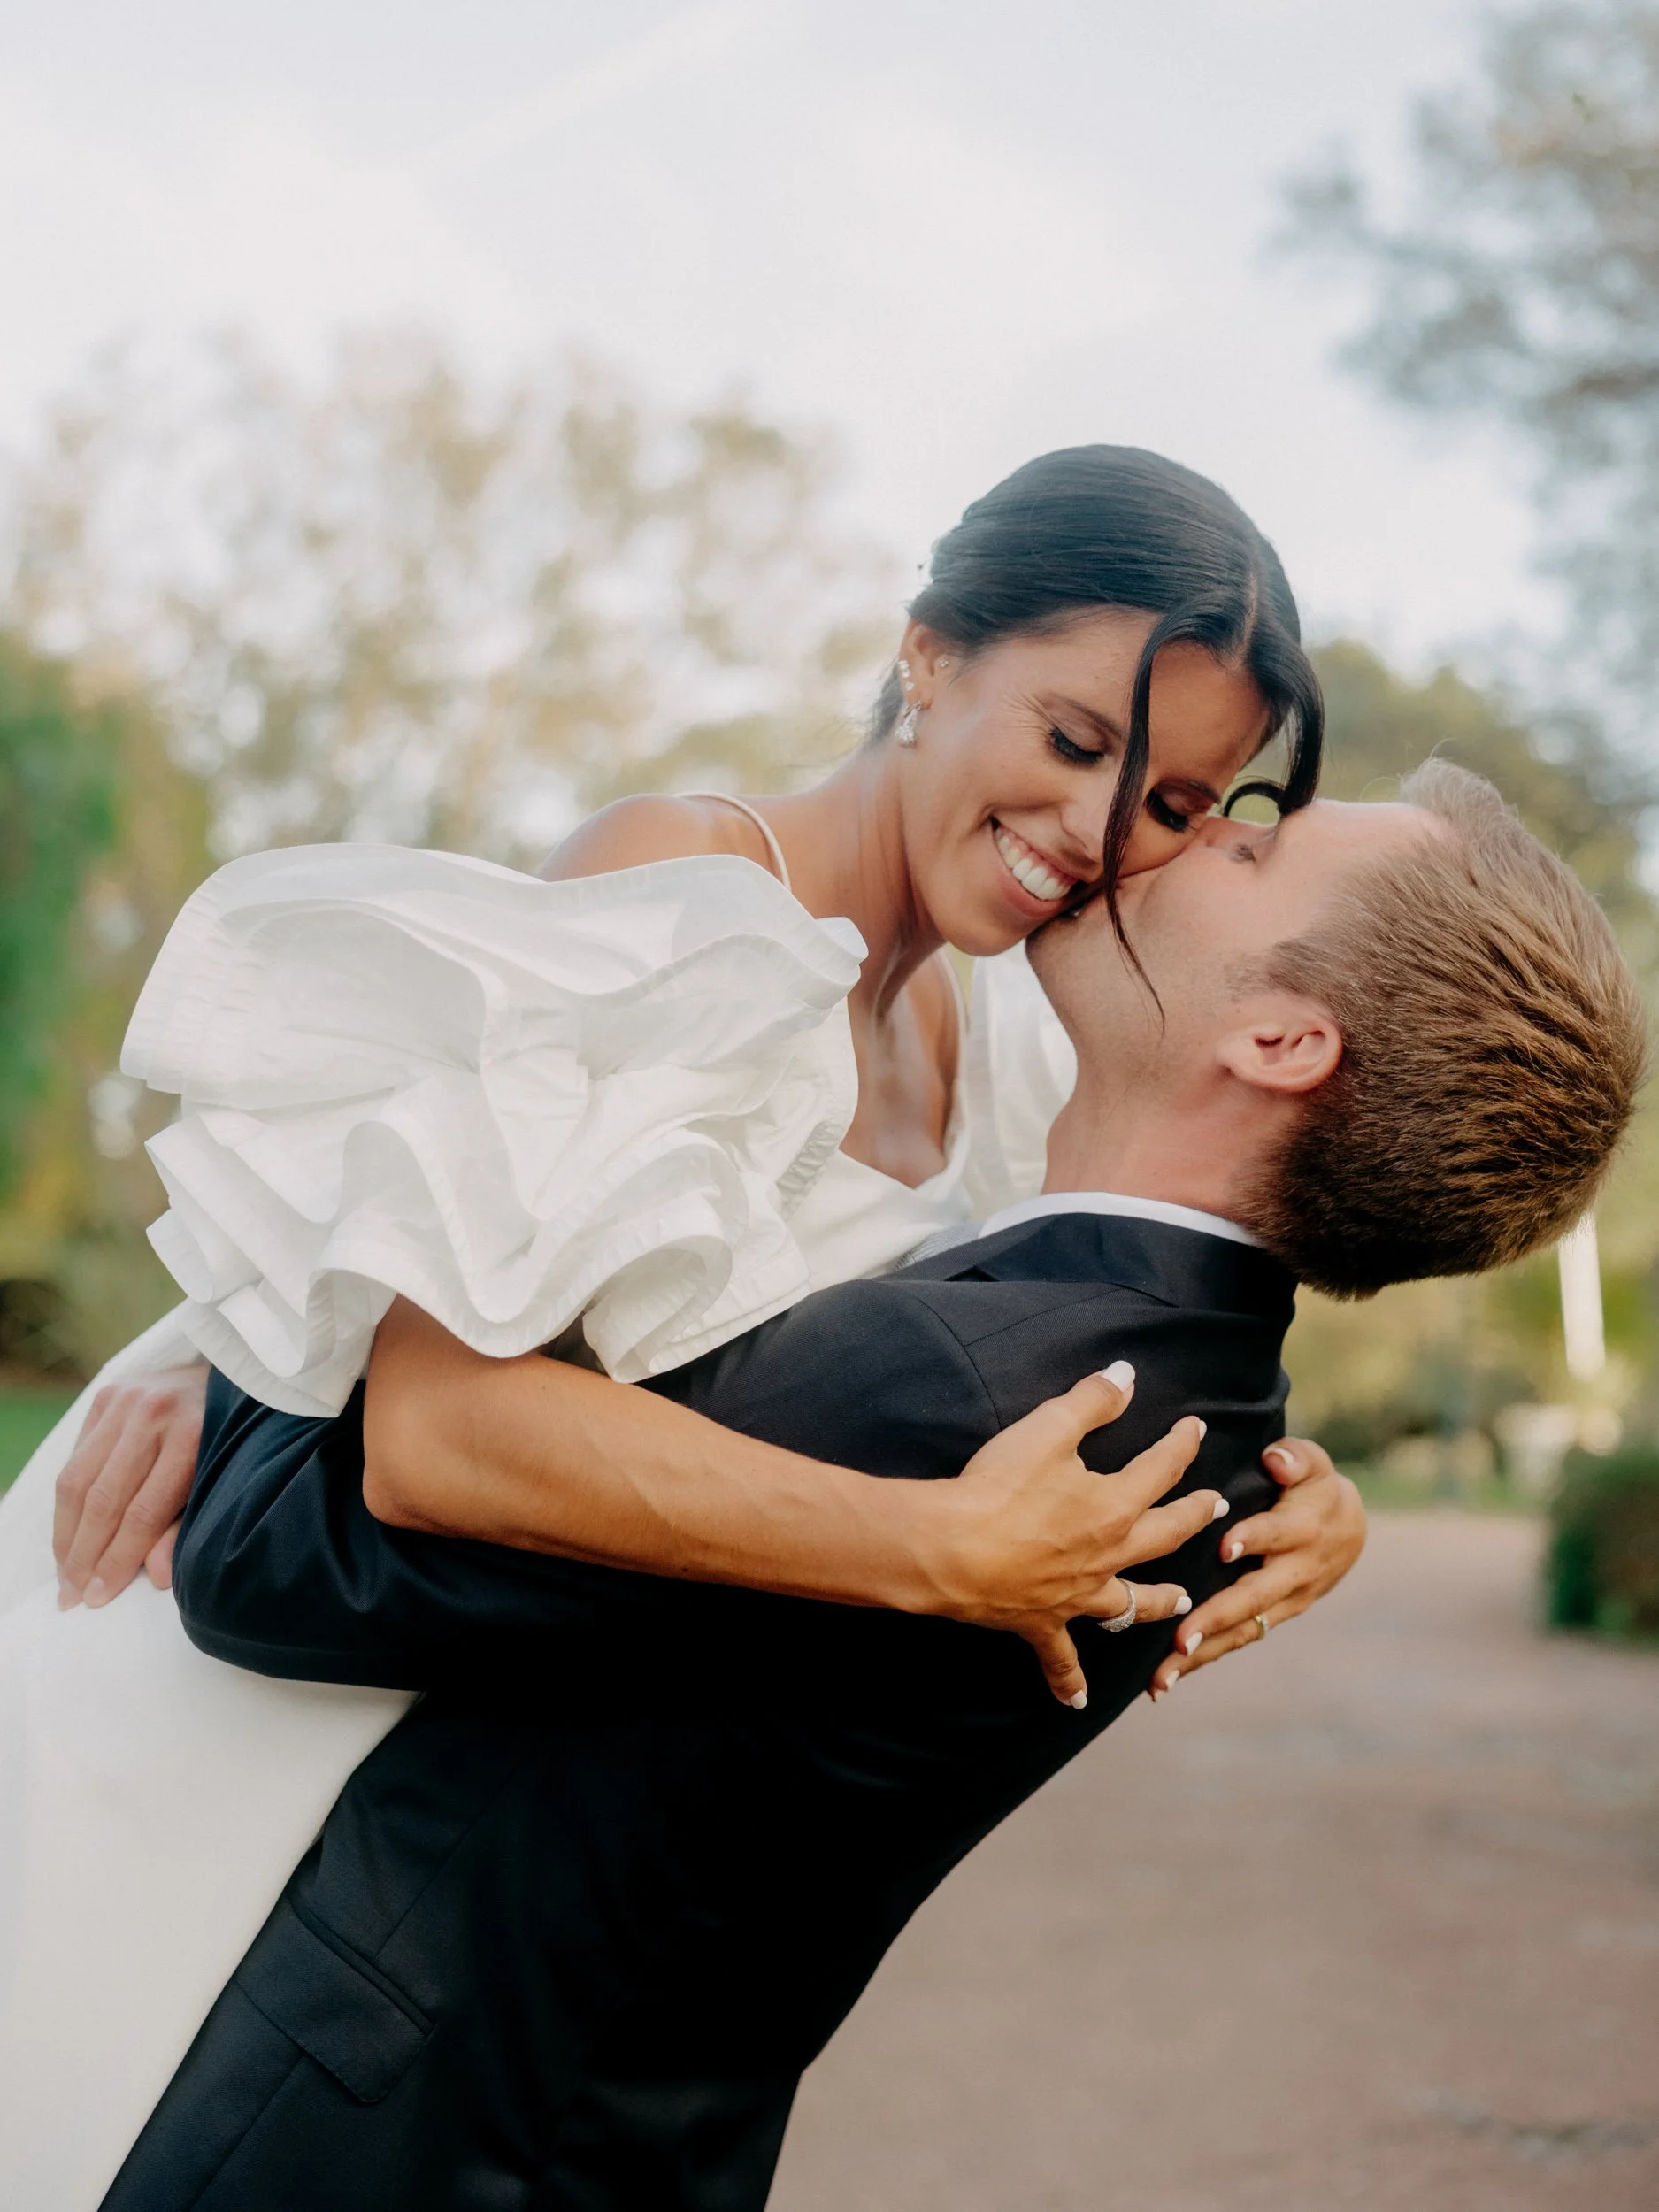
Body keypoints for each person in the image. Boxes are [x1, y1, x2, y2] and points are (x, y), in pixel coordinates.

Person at [0, 445, 1360, 2207]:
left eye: (1175, 801)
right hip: (229, 1654)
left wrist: (1289, 1481)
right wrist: (932, 1548)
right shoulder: (684, 892)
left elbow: (1008, 1331)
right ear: (930, 655)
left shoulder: (1007, 1037)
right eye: (1075, 740)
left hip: (471, 1726)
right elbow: (432, 1417)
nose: (1095, 840)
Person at [99, 763, 1646, 2211]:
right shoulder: (1217, 1415)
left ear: (1284, 1042)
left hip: (393, 2134)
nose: (1154, 839)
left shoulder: (958, 1394)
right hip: (613, 2138)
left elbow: (275, 1561)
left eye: (1242, 849)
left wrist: (254, 1326)